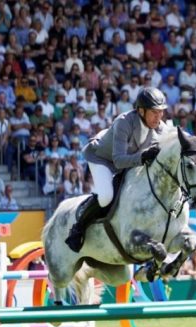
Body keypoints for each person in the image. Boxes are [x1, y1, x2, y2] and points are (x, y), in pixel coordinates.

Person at [65, 87, 168, 251]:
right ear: (141, 111)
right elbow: (119, 161)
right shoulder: (124, 121)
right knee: (106, 196)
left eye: (161, 111)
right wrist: (142, 157)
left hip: (129, 161)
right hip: (103, 158)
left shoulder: (160, 127)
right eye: (155, 112)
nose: (159, 116)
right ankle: (78, 227)